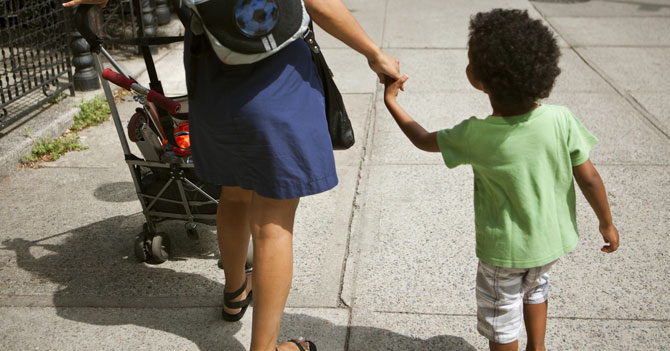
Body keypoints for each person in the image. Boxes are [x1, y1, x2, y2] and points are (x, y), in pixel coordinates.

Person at [69, 0, 401, 350]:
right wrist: (373, 52)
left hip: (213, 86)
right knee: (273, 225)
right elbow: (319, 4)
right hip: (277, 83)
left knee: (234, 193)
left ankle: (234, 291)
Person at [383, 9, 619, 351]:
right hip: (548, 243)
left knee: (501, 315)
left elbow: (421, 139)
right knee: (537, 286)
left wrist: (392, 101)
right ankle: (537, 347)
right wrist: (606, 223)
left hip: (504, 252)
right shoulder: (562, 119)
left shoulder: (475, 134)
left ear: (476, 78)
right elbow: (590, 178)